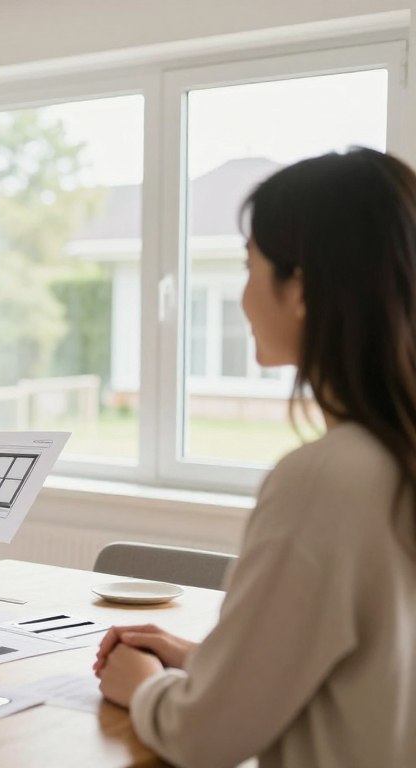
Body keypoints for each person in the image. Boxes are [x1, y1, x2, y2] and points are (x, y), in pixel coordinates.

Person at [93, 147, 416, 767]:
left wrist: (142, 685)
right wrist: (210, 661)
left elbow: (204, 737)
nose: (242, 296)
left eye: (250, 265)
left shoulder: (326, 480)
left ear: (302, 287)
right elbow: (371, 672)